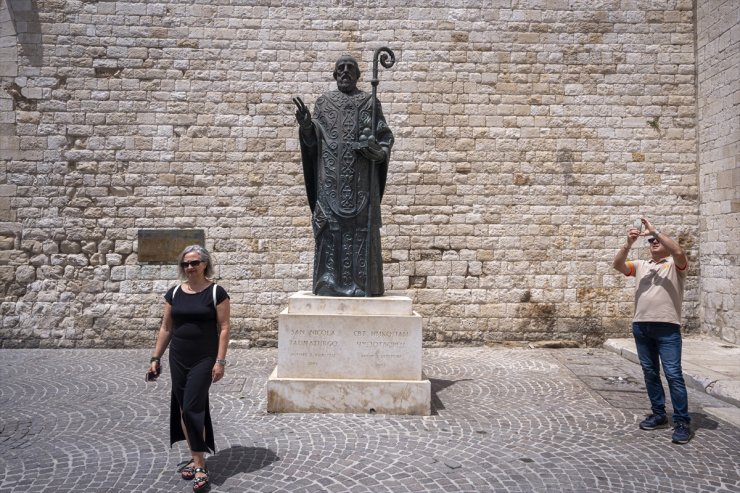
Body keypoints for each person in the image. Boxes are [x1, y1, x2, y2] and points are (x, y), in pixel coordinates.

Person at [294, 54, 394, 297]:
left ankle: (361, 284)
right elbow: (313, 142)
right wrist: (307, 126)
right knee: (331, 231)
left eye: (350, 68)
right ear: (335, 74)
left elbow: (385, 138)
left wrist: (377, 152)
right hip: (331, 181)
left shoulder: (370, 103)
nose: (345, 71)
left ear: (359, 75)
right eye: (341, 68)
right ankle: (329, 283)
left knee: (360, 233)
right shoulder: (324, 103)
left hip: (361, 183)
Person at [147, 245, 231, 491]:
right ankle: (197, 459)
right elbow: (166, 328)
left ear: (205, 263)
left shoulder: (217, 292)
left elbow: (224, 328)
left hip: (204, 358)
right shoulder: (173, 293)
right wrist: (155, 358)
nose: (189, 267)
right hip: (179, 358)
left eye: (194, 263)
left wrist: (220, 361)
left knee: (193, 407)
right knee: (185, 408)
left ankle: (199, 465)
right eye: (185, 264)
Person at [612, 217, 691, 444]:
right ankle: (659, 414)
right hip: (641, 326)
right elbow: (617, 265)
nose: (653, 243)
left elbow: (678, 251)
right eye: (651, 242)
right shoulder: (641, 265)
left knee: (673, 374)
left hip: (668, 328)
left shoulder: (675, 266)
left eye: (657, 241)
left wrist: (654, 231)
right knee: (650, 373)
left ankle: (682, 422)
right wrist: (628, 243)